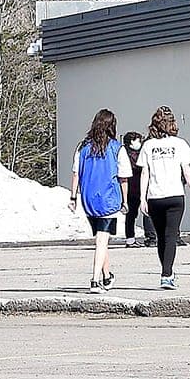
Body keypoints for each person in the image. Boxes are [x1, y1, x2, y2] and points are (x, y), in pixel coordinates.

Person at [137, 106, 190, 289]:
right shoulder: (180, 144)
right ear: (172, 123)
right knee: (170, 235)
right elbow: (187, 171)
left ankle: (167, 272)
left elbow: (145, 174)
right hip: (175, 196)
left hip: (155, 196)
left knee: (161, 237)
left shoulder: (148, 145)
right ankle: (167, 274)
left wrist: (143, 198)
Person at [69, 108, 129, 292]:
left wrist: (73, 197)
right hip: (108, 200)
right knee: (102, 241)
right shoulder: (117, 148)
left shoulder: (82, 147)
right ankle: (95, 280)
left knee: (101, 240)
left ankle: (107, 276)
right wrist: (125, 201)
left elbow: (76, 173)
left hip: (88, 200)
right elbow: (123, 177)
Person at [120, 130, 147, 246]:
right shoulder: (126, 154)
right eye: (137, 140)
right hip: (131, 187)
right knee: (131, 214)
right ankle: (130, 239)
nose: (139, 143)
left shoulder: (139, 153)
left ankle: (131, 238)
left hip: (136, 187)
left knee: (132, 215)